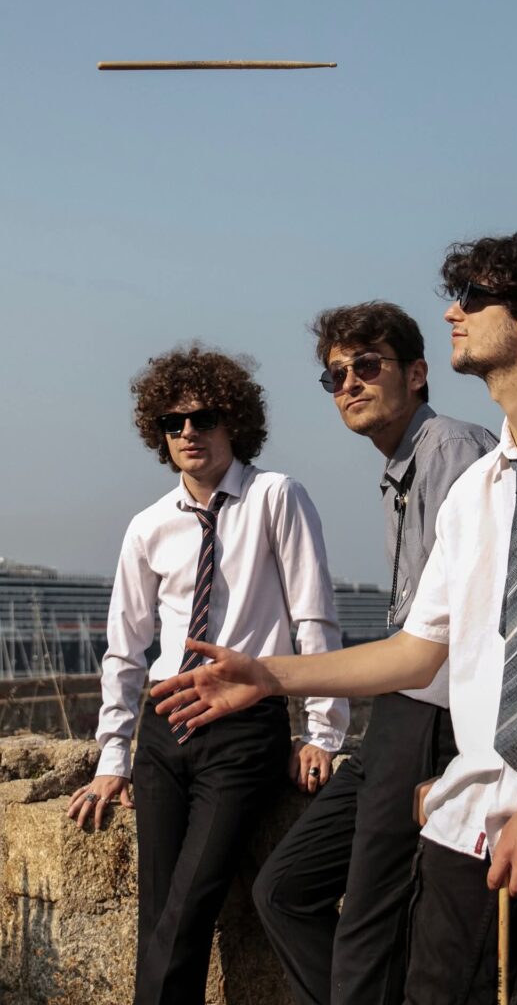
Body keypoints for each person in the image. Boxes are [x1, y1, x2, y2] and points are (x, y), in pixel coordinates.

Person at [152, 236, 517, 1005]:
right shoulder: (477, 490)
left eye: (473, 296)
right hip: (481, 805)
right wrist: (267, 675)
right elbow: (419, 651)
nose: (452, 312)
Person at [66, 344, 348, 1005]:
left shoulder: (276, 497)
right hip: (163, 731)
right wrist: (113, 757)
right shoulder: (148, 527)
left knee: (190, 907)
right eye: (173, 422)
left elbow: (314, 617)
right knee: (159, 914)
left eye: (204, 417)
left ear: (234, 422)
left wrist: (323, 733)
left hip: (243, 728)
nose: (188, 432)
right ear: (159, 434)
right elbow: (124, 649)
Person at [251, 301, 496, 1005]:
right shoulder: (401, 470)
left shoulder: (450, 449)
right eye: (336, 376)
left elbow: (457, 625)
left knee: (369, 930)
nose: (349, 384)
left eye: (366, 366)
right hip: (396, 714)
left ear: (416, 373)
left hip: (432, 715)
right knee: (284, 890)